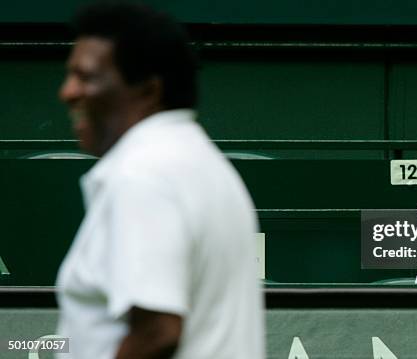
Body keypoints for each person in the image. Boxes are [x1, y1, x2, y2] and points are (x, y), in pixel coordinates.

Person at [55, 3, 264, 358]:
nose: (68, 92)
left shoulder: (143, 173)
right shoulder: (201, 162)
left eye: (86, 77)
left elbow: (158, 332)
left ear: (149, 90)